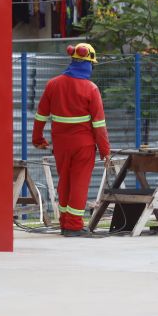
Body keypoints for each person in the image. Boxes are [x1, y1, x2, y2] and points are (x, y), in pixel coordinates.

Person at [32, 43, 111, 236]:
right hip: (83, 144)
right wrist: (105, 151)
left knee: (65, 182)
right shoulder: (91, 89)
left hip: (60, 144)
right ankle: (74, 226)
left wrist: (38, 138)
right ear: (88, 64)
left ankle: (65, 223)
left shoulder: (53, 84)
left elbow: (40, 115)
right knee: (79, 183)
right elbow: (99, 126)